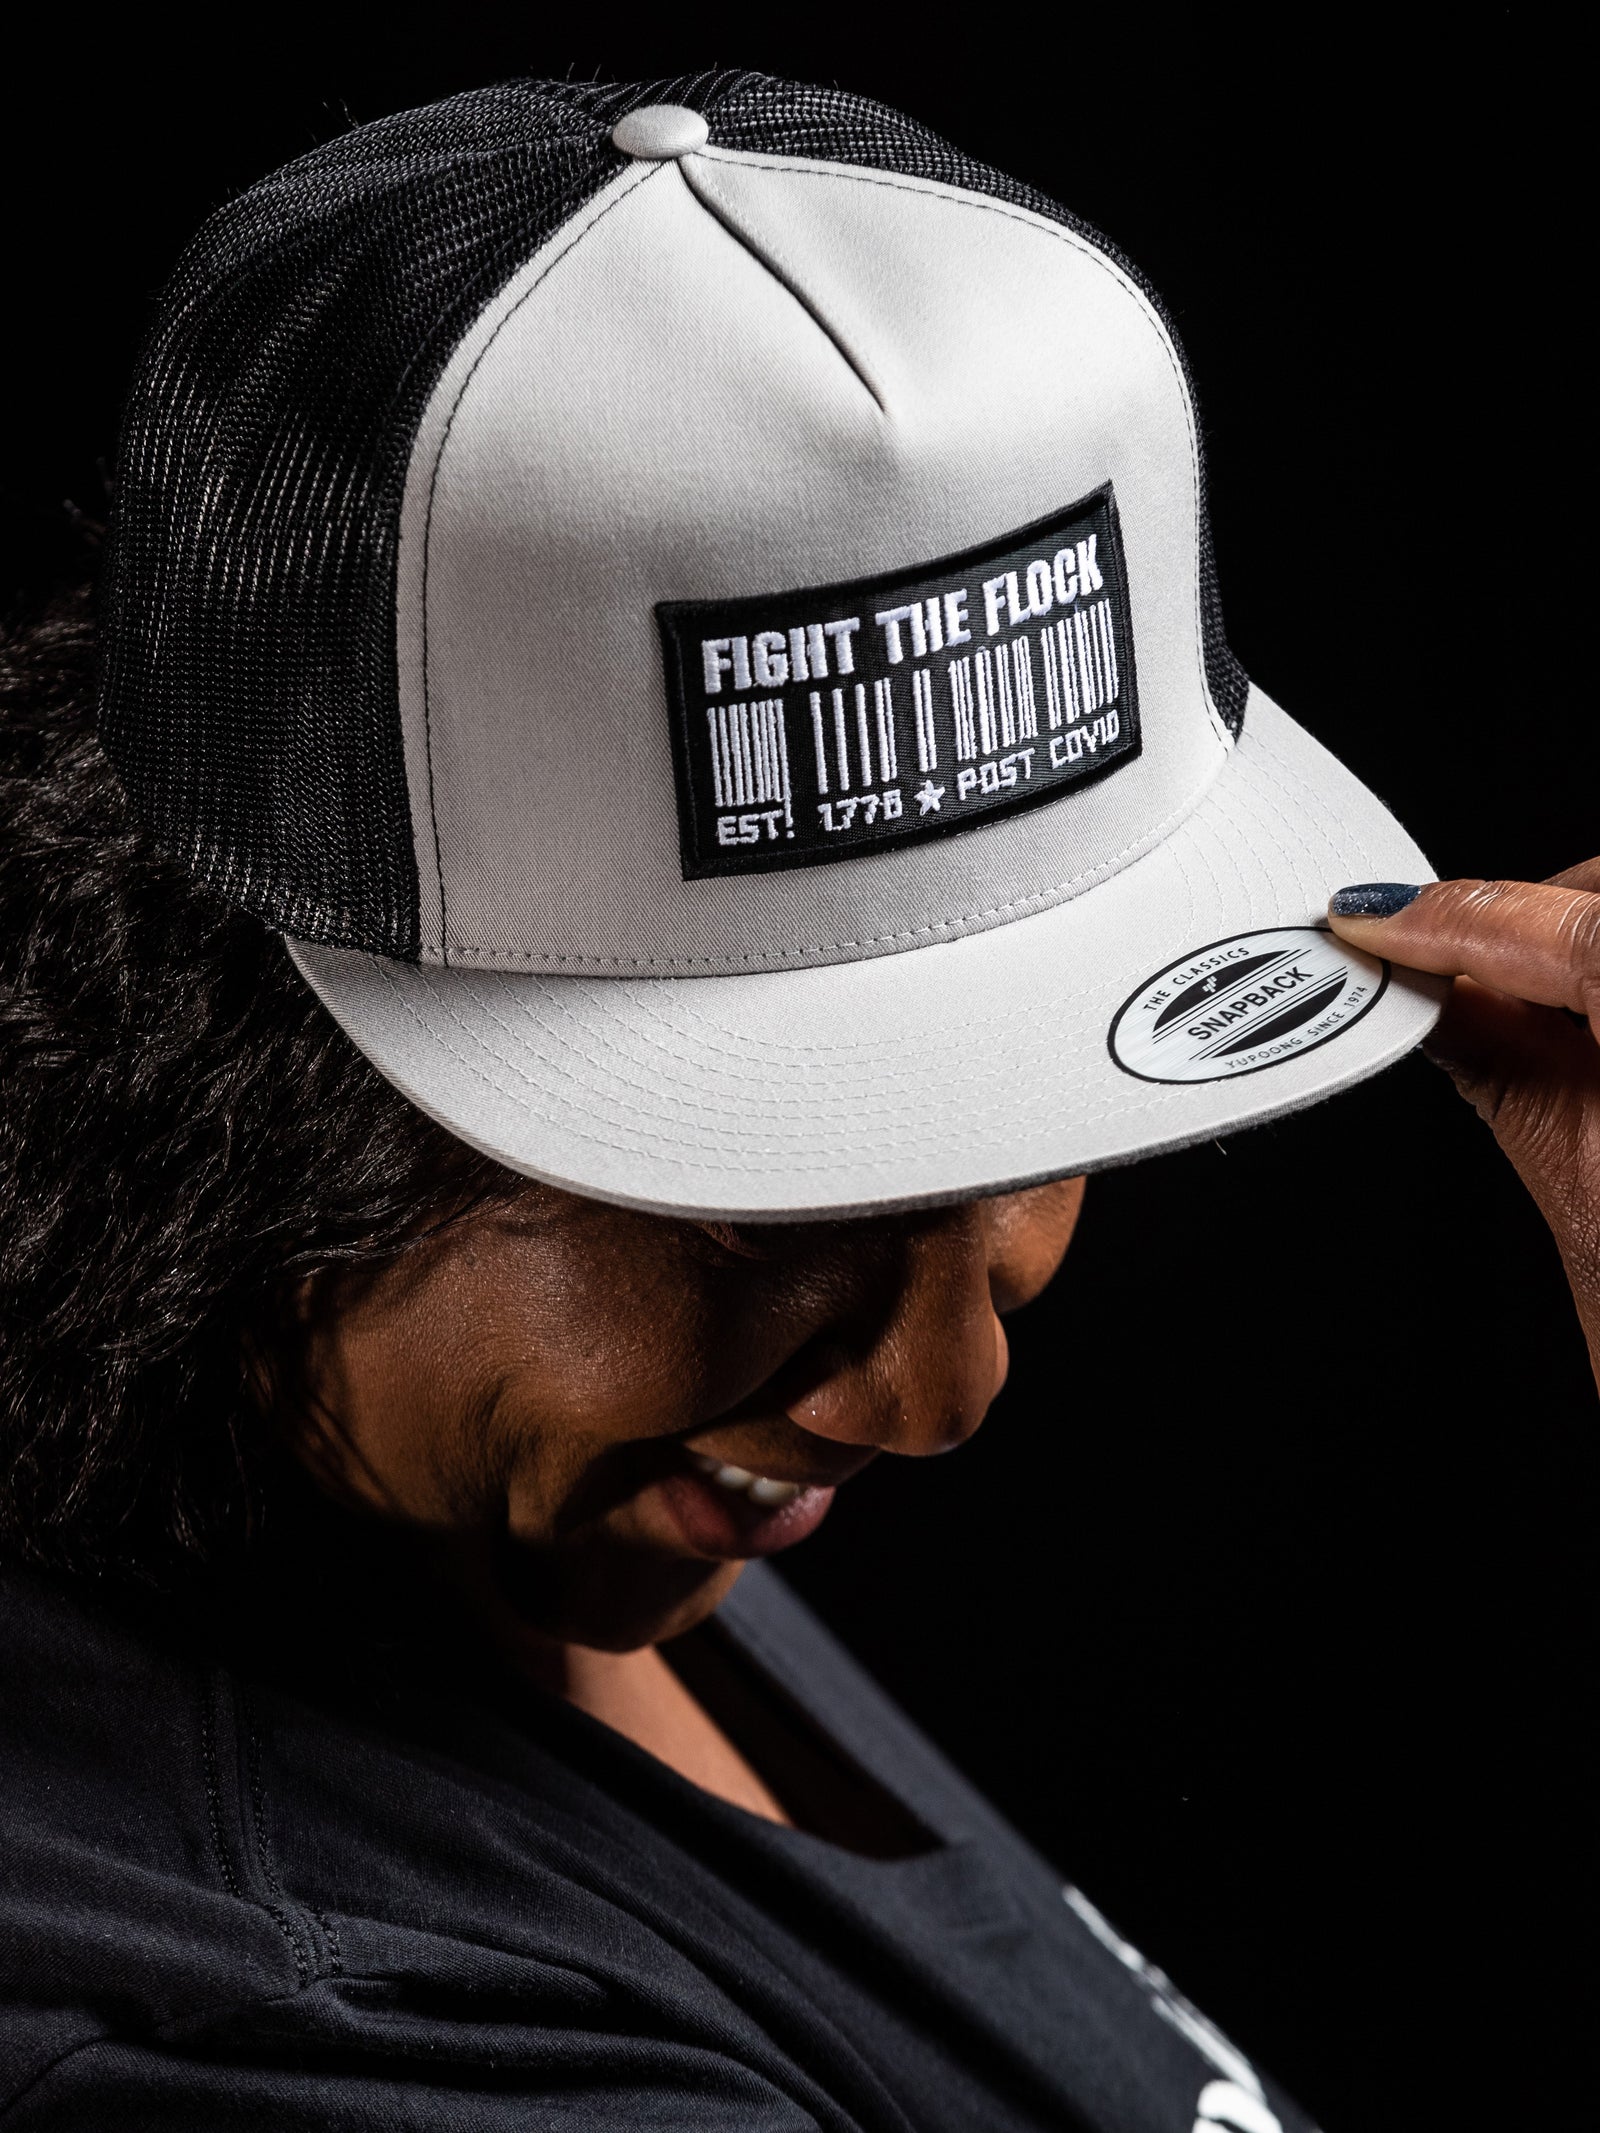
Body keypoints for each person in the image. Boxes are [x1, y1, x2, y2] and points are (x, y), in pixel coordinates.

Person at [1, 71, 1594, 2132]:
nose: (944, 1391)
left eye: (1026, 1111)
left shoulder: (509, 1526)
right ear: (223, 1078)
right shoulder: (306, 2041)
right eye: (773, 1181)